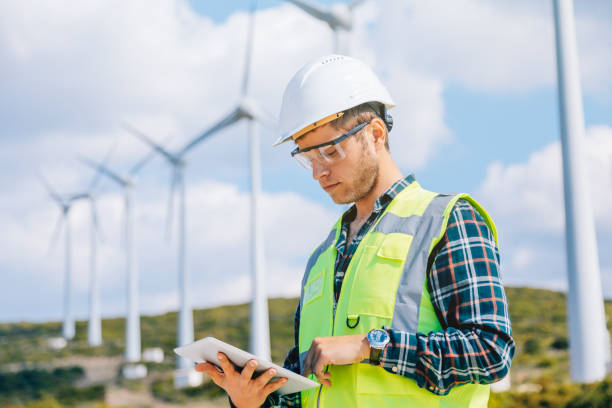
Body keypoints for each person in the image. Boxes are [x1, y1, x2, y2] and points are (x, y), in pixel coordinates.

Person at [196, 55, 515, 407]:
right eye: (307, 157)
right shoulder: (322, 257)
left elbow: (490, 351)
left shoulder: (447, 221)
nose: (318, 172)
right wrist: (251, 400)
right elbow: (308, 391)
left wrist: (371, 346)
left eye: (330, 151)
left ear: (376, 134)